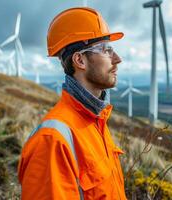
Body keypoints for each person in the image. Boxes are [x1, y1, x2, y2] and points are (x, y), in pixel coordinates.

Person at [18, 7, 126, 200]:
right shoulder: (52, 141)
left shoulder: (97, 121)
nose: (117, 59)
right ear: (80, 60)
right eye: (106, 50)